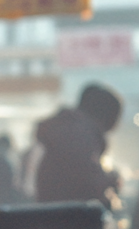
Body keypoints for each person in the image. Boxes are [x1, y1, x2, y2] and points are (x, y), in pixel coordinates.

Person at [31, 82, 124, 210]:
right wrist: (111, 179)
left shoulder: (67, 131)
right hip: (68, 218)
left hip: (53, 215)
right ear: (105, 116)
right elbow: (87, 181)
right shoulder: (79, 136)